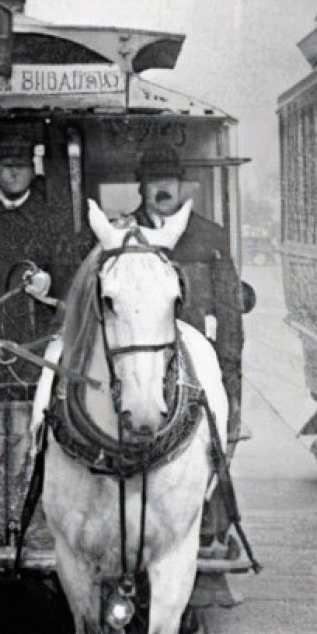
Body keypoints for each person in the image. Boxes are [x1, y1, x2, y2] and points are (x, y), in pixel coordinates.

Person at [130, 145, 248, 442]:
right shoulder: (124, 235)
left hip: (199, 362)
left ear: (181, 186)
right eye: (155, 181)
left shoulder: (211, 236)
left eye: (170, 181)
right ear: (142, 187)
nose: (164, 188)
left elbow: (229, 312)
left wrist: (229, 381)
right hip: (140, 368)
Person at [0, 136, 84, 373]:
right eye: (6, 167)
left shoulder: (52, 219)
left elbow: (73, 279)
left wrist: (49, 284)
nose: (14, 174)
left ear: (33, 171)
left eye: (21, 167)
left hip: (39, 341)